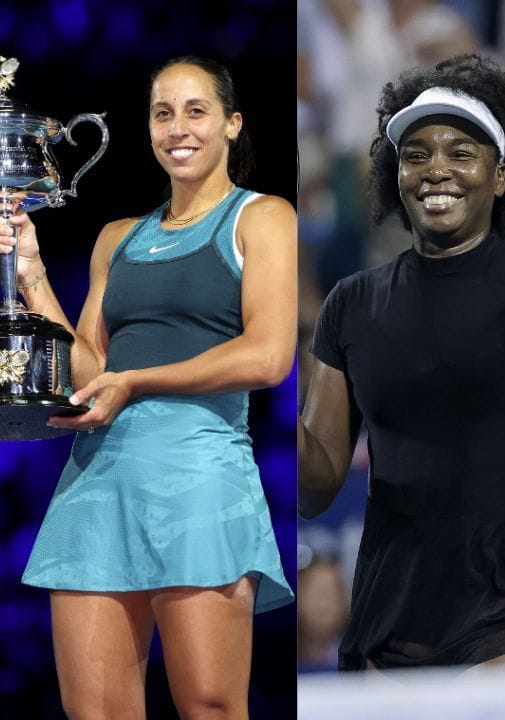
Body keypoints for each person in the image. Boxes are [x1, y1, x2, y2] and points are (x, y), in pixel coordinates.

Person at [0, 56, 296, 718]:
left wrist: (135, 381)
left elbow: (270, 355)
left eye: (197, 111)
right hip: (97, 483)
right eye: (164, 113)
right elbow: (87, 370)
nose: (178, 128)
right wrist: (33, 274)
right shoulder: (116, 239)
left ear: (231, 125)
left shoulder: (263, 217)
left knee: (211, 707)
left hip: (197, 477)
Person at [298, 54, 505, 670]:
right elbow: (316, 488)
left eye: (461, 153)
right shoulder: (351, 303)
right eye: (417, 155)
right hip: (395, 611)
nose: (436, 168)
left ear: (498, 177)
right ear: (397, 176)